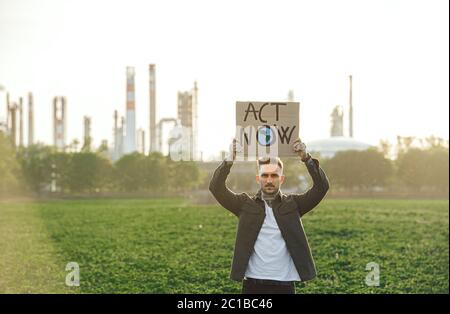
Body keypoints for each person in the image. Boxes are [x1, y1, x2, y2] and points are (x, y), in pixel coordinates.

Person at [209, 138, 329, 294]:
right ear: (258, 179)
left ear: (281, 179)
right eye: (265, 175)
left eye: (274, 175)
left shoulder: (294, 205)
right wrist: (229, 159)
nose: (270, 180)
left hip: (284, 285)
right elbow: (216, 188)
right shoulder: (244, 205)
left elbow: (321, 187)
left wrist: (306, 158)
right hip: (253, 285)